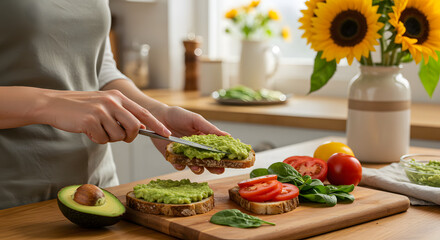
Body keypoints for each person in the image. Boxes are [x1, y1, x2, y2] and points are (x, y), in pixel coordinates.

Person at [0, 0, 227, 209]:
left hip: (98, 188)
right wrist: (49, 103)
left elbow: (99, 67)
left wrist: (156, 113)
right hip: (14, 197)